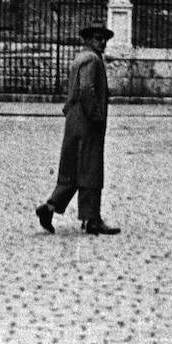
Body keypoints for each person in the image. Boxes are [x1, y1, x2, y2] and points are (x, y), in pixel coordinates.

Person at [35, 24, 119, 236]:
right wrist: (96, 115)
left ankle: (49, 208)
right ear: (88, 40)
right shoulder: (92, 60)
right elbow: (86, 89)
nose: (103, 43)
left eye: (105, 39)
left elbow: (73, 91)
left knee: (72, 170)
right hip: (88, 122)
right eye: (99, 38)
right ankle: (92, 220)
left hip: (75, 120)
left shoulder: (79, 59)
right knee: (90, 168)